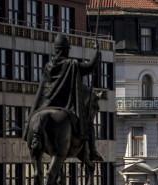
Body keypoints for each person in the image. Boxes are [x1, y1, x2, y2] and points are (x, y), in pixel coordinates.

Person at [25, 33, 102, 161]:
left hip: (46, 105)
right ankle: (92, 151)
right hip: (65, 106)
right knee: (87, 124)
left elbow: (43, 89)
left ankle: (30, 130)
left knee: (34, 118)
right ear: (66, 50)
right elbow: (90, 67)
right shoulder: (71, 64)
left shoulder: (48, 66)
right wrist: (97, 51)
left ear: (56, 49)